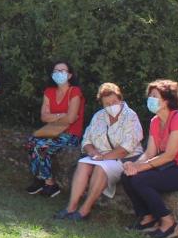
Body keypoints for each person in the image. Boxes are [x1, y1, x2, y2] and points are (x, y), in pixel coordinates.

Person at [122, 79, 178, 238]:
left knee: (141, 181)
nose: (150, 99)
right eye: (150, 96)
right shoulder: (155, 121)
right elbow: (150, 152)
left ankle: (169, 223)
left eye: (154, 96)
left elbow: (169, 154)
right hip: (169, 167)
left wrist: (141, 168)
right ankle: (147, 219)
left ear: (166, 100)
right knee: (126, 176)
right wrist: (133, 165)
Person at [54, 83, 143, 221]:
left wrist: (103, 158)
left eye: (114, 102)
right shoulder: (98, 116)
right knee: (83, 164)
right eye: (107, 104)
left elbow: (126, 148)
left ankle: (85, 210)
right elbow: (86, 140)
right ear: (102, 104)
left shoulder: (131, 116)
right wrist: (94, 153)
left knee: (101, 167)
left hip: (125, 159)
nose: (111, 106)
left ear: (120, 99)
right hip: (100, 156)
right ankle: (70, 207)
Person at [25, 61, 85, 198]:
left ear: (69, 75)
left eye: (62, 71)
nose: (58, 73)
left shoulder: (75, 91)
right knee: (31, 142)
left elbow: (71, 119)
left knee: (41, 147)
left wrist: (57, 117)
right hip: (52, 131)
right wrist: (62, 115)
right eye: (56, 71)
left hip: (70, 134)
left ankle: (50, 183)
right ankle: (41, 179)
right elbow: (43, 117)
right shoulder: (49, 92)